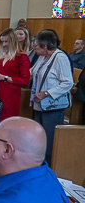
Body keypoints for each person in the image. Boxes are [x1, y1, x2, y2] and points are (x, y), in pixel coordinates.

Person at [30, 30, 73, 164]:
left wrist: (45, 93)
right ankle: (38, 163)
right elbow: (31, 72)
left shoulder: (60, 57)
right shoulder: (43, 57)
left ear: (45, 46)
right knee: (39, 137)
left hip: (52, 105)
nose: (34, 50)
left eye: (36, 47)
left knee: (49, 138)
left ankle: (47, 167)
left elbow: (68, 82)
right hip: (39, 103)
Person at [0, 28, 30, 122]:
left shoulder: (22, 57)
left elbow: (24, 81)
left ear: (13, 40)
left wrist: (4, 78)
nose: (4, 44)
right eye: (2, 42)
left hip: (11, 95)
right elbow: (2, 74)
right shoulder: (4, 56)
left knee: (7, 122)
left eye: (6, 41)